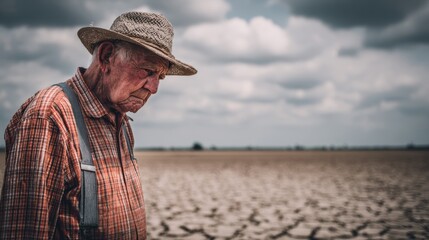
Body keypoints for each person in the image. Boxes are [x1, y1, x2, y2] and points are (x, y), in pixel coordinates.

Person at [0, 11, 196, 239]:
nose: (153, 88)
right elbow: (23, 232)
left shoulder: (121, 122)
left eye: (160, 77)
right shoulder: (49, 116)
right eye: (148, 71)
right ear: (106, 56)